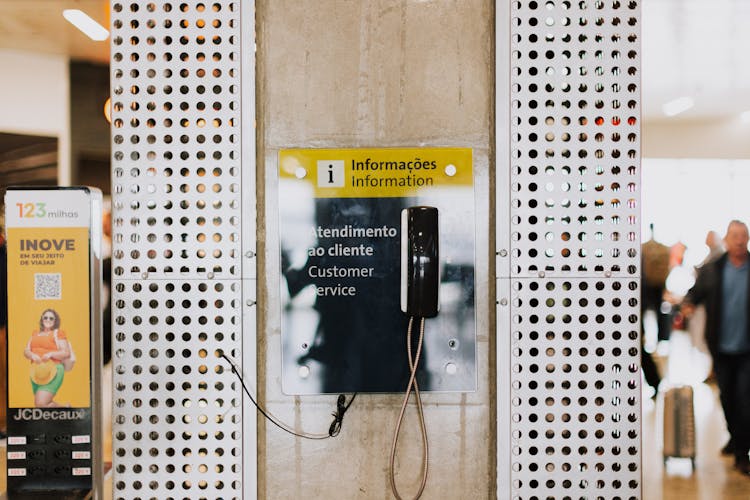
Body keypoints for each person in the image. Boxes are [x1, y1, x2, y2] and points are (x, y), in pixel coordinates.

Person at [682, 220, 750, 475]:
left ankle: (743, 454)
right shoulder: (714, 270)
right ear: (727, 239)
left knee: (745, 400)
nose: (739, 241)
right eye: (735, 236)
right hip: (721, 348)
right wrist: (687, 304)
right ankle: (736, 438)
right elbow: (694, 293)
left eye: (743, 236)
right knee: (728, 399)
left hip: (746, 350)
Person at [23, 308, 71, 407]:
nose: (48, 320)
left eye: (51, 318)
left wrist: (51, 354)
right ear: (42, 319)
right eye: (45, 317)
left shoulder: (58, 334)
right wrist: (32, 355)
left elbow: (66, 353)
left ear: (55, 321)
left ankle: (66, 410)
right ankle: (66, 409)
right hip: (37, 373)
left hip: (53, 371)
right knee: (42, 405)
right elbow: (26, 351)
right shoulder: (35, 333)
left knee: (41, 403)